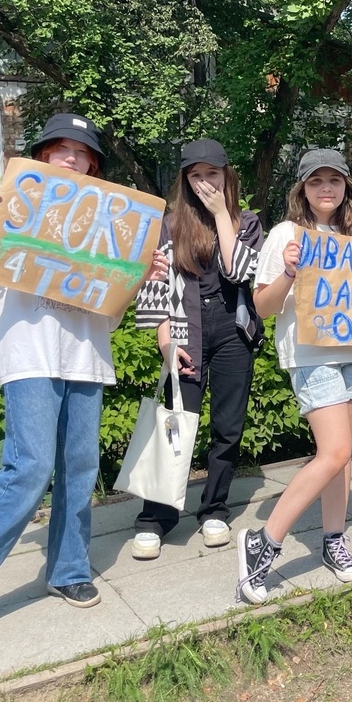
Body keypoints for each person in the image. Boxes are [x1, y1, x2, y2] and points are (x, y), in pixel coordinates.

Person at [0, 114, 166, 643]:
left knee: (78, 467)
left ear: (93, 163)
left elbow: (108, 311)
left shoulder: (108, 229)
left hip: (85, 356)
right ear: (42, 156)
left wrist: (138, 274)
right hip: (28, 355)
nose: (70, 158)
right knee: (28, 468)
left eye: (81, 152)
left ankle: (68, 570)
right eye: (60, 149)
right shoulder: (5, 210)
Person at [238, 149, 352, 602]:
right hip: (310, 354)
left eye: (335, 180)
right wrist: (288, 271)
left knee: (341, 456)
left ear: (346, 189)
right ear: (302, 187)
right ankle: (263, 544)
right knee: (334, 450)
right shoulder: (286, 233)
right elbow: (262, 306)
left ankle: (333, 539)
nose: (326, 188)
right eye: (316, 180)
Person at [131, 139, 263, 559]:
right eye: (195, 175)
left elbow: (240, 271)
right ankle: (156, 516)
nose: (204, 182)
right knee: (174, 424)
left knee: (228, 426)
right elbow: (154, 290)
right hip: (185, 331)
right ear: (185, 180)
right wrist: (166, 344)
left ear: (227, 176)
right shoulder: (168, 226)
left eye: (212, 174)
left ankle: (215, 508)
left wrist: (223, 213)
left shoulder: (248, 222)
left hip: (232, 332)